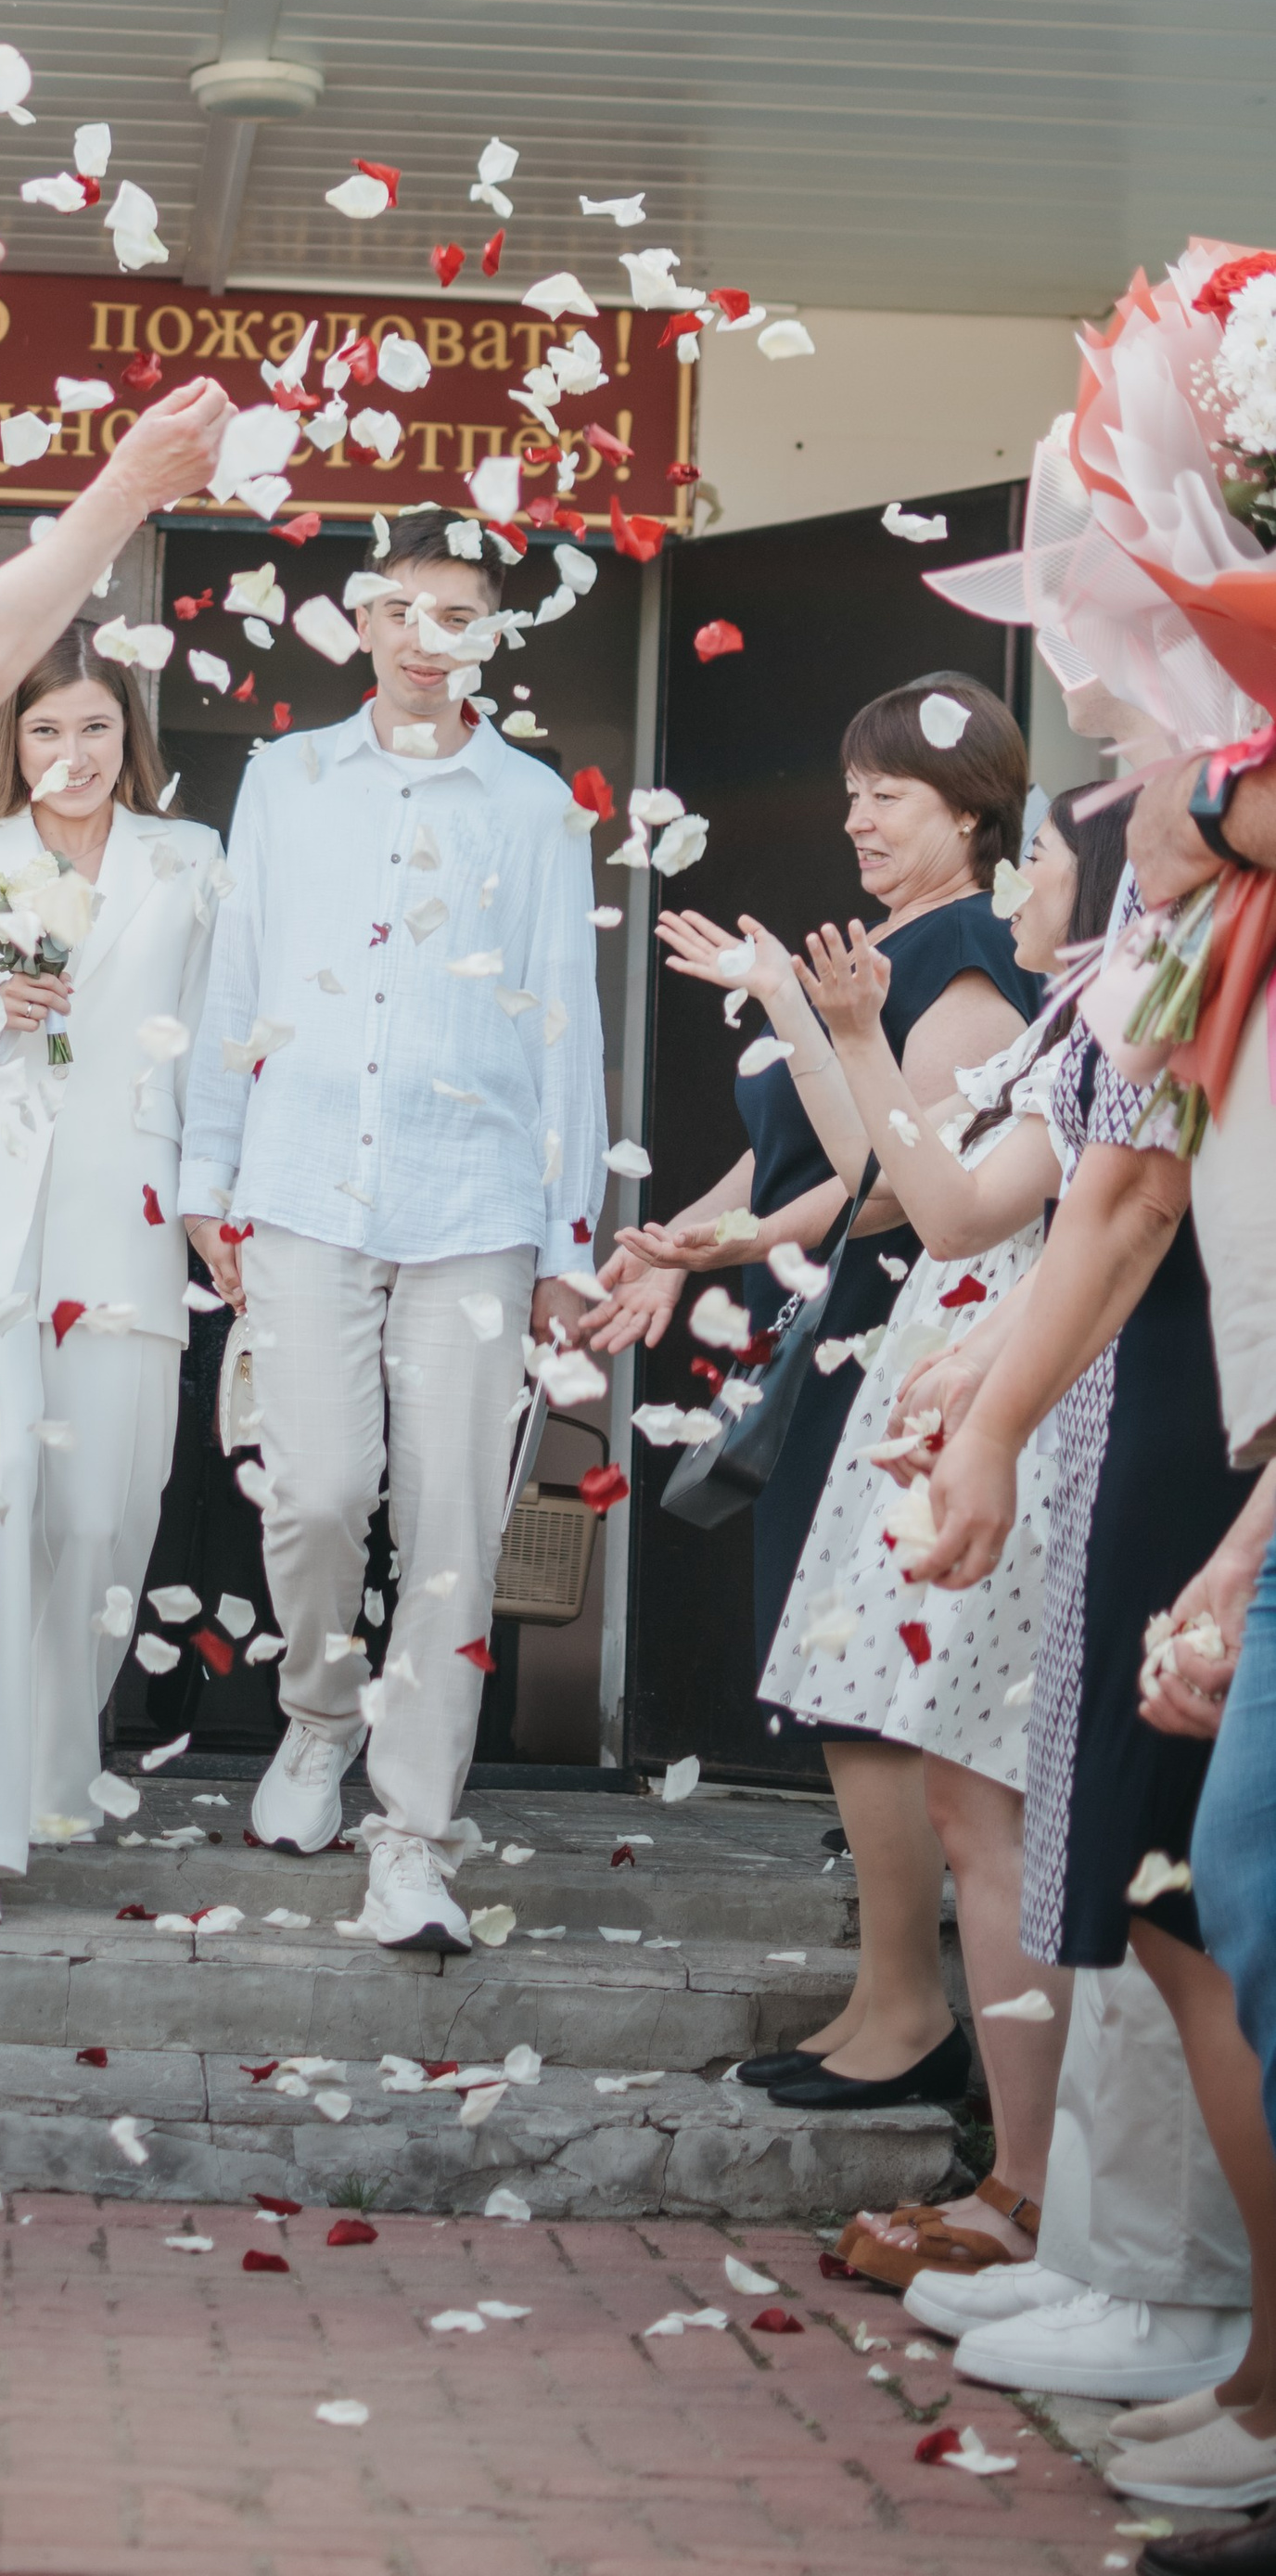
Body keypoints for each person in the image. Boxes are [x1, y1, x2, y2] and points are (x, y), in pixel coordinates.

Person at [662, 788, 1127, 2285]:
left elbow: (949, 1219)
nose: (1024, 885)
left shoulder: (1085, 1027)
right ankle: (1023, 2171)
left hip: (1021, 1398)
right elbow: (914, 1179)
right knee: (963, 1802)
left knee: (987, 1808)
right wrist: (821, 1020)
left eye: (1045, 858)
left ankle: (1032, 2184)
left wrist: (839, 1035)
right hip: (964, 1373)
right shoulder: (1060, 1034)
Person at [587, 671, 1033, 2093]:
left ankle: (911, 2014)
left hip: (906, 1323)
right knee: (834, 1659)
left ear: (970, 813)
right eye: (851, 795)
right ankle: (879, 1999)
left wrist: (797, 1005)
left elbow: (894, 1190)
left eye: (885, 796)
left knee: (868, 1665)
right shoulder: (871, 946)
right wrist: (691, 1244)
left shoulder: (963, 955)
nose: (856, 819)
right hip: (836, 1307)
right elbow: (799, 1163)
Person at [180, 506, 606, 1956]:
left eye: (461, 617)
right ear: (361, 619)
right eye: (404, 611)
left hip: (477, 1204)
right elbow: (236, 977)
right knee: (313, 1493)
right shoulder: (287, 780)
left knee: (451, 1529)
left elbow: (567, 1016)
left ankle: (411, 1831)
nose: (430, 642)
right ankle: (314, 1716)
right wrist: (205, 1169)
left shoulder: (538, 805)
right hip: (302, 1184)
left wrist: (566, 1243)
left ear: (492, 634)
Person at [902, 896, 1267, 2475]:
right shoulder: (1181, 935)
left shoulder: (1210, 928)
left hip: (1209, 1414)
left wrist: (992, 1423)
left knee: (1201, 1888)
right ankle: (1207, 2327)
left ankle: (1214, 2326)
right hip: (1182, 1415)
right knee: (1167, 1885)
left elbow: (1128, 1201)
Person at [0, 629, 223, 1920]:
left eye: (95, 731)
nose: (73, 758)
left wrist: (212, 1199)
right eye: (46, 734)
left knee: (98, 1517)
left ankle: (46, 1770)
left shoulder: (191, 862)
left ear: (131, 737)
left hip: (122, 1222)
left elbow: (219, 1044)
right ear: (10, 746)